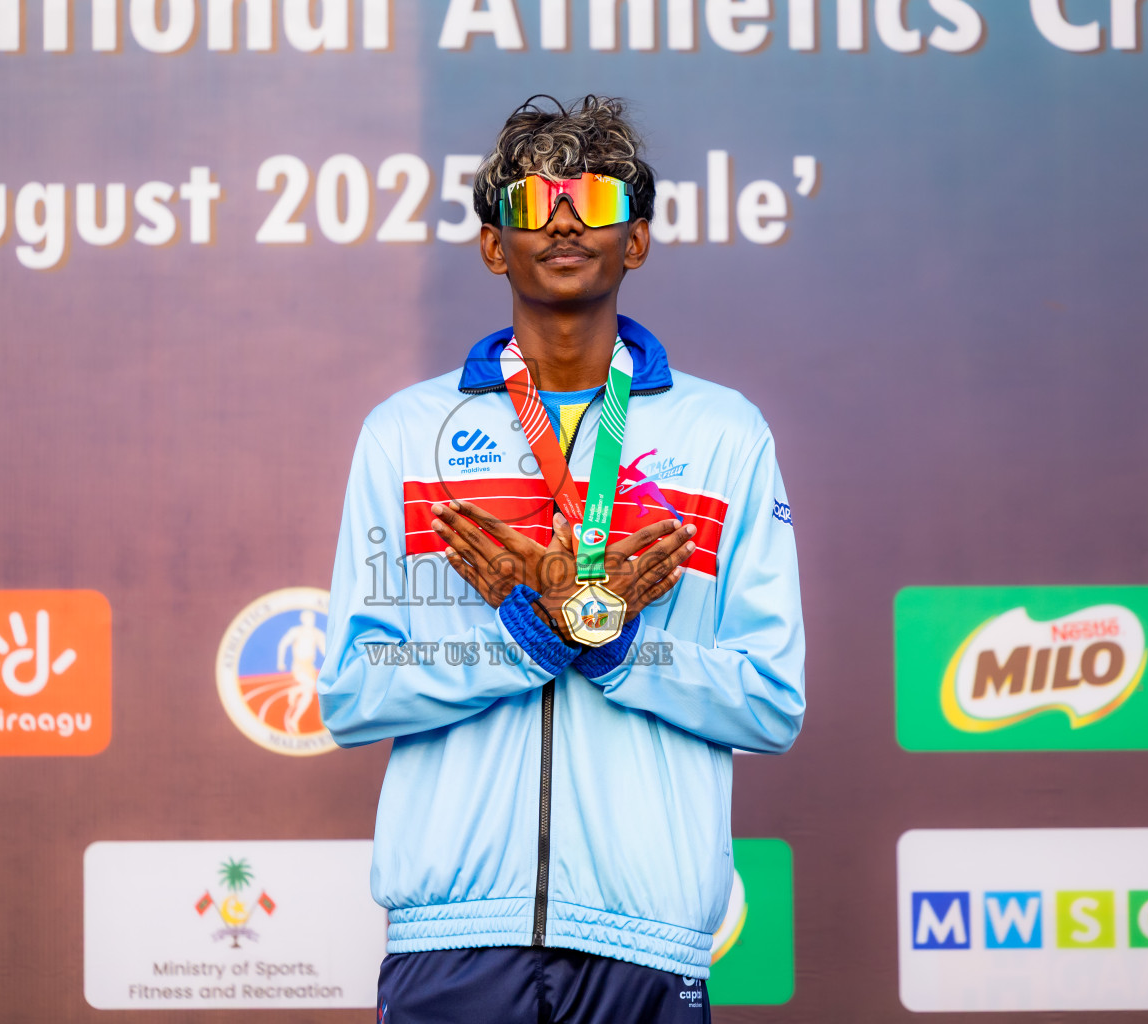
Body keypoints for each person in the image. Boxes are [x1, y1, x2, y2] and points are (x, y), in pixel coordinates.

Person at [318, 95, 805, 1023]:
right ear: (496, 245)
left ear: (638, 241)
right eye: (538, 204)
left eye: (597, 199)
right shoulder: (407, 436)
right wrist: (529, 640)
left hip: (647, 937)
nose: (569, 222)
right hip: (450, 938)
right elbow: (351, 691)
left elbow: (771, 701)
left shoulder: (724, 435)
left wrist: (618, 645)